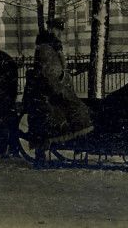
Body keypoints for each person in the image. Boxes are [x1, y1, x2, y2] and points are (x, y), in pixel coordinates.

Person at [21, 19, 93, 164]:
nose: (59, 33)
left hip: (53, 91)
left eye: (60, 30)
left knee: (76, 110)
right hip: (46, 95)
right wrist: (61, 92)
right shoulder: (46, 49)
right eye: (56, 30)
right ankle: (42, 154)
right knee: (61, 116)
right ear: (50, 29)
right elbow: (49, 75)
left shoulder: (52, 46)